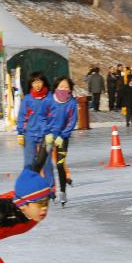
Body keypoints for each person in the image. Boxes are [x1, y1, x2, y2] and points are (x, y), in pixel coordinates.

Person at [17, 72, 54, 190]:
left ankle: (50, 188)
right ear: (31, 84)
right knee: (28, 163)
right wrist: (20, 133)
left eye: (39, 81)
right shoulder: (27, 99)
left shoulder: (50, 97)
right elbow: (22, 116)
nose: (37, 84)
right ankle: (28, 188)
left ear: (44, 82)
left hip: (46, 136)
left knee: (47, 164)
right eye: (34, 82)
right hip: (30, 135)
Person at [46, 76, 78, 206]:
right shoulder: (49, 99)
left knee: (60, 165)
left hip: (62, 139)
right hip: (48, 136)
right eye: (61, 86)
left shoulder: (72, 103)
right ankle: (47, 191)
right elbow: (42, 116)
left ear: (70, 89)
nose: (64, 89)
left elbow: (72, 121)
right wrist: (46, 132)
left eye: (66, 87)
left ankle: (63, 192)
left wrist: (63, 135)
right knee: (42, 163)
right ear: (56, 87)